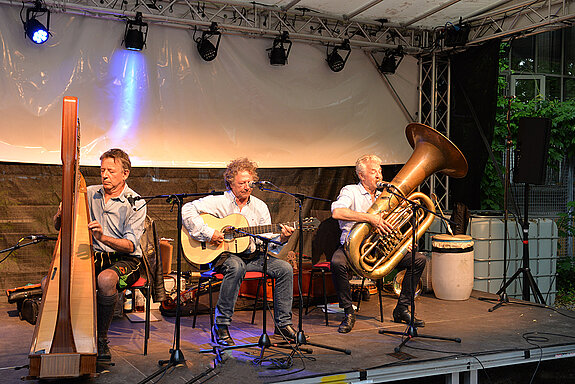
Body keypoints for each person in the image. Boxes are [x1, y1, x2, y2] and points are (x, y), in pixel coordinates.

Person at [182, 157, 296, 346]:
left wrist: (282, 238)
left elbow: (266, 241)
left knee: (284, 268)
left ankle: (283, 324)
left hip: (252, 255)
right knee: (236, 266)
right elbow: (187, 209)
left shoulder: (260, 206)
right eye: (242, 183)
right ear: (230, 182)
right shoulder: (217, 202)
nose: (246, 187)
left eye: (250, 183)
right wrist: (210, 233)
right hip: (222, 255)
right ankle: (221, 325)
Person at [53, 148, 146, 361]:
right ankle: (64, 333)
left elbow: (130, 246)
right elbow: (59, 226)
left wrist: (103, 237)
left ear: (125, 174)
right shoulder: (89, 193)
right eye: (102, 170)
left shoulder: (136, 202)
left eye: (111, 171)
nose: (104, 175)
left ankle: (101, 338)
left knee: (105, 279)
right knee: (56, 278)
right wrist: (60, 213)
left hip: (125, 259)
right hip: (95, 255)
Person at [330, 154, 426, 333]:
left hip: (381, 249)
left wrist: (402, 242)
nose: (379, 176)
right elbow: (337, 212)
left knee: (418, 260)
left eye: (380, 171)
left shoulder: (387, 196)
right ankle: (349, 312)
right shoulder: (350, 191)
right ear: (361, 175)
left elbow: (396, 225)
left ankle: (402, 309)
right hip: (352, 247)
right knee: (337, 263)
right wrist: (370, 218)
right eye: (373, 172)